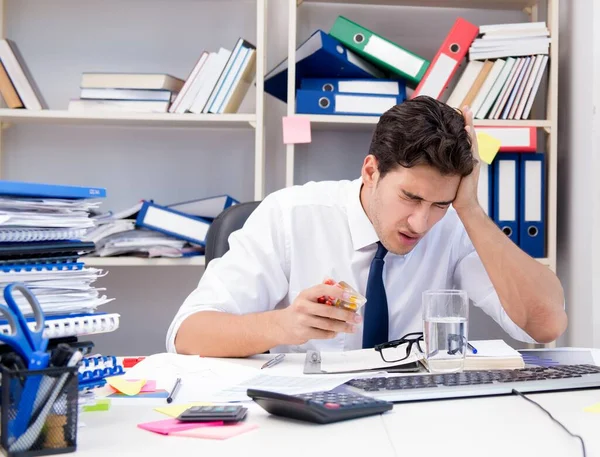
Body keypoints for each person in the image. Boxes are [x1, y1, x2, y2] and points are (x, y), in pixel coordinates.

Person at [167, 96, 566, 357]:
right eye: (410, 197)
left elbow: (545, 325)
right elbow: (187, 334)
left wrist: (470, 210)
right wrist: (283, 324)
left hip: (417, 422)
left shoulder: (455, 226)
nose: (421, 222)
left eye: (439, 203)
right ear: (371, 171)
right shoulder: (290, 214)